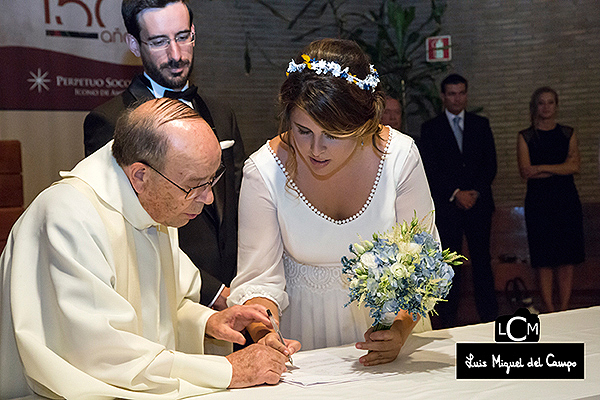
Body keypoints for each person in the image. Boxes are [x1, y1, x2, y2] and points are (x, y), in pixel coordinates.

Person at [0, 98, 290, 399]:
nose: (207, 199)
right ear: (140, 175)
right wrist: (229, 370)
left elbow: (164, 307)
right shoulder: (69, 217)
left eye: (212, 180)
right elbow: (103, 355)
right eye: (194, 186)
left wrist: (208, 321)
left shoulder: (152, 203)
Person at [228, 38, 436, 367]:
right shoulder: (264, 171)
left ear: (364, 124)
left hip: (393, 333)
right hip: (304, 339)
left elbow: (421, 262)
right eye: (303, 130)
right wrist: (263, 331)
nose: (316, 150)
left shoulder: (400, 157)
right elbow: (259, 280)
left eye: (333, 134)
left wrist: (398, 330)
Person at [84, 0, 245, 310]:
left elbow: (237, 206)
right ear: (133, 43)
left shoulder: (222, 114)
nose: (176, 54)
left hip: (234, 290)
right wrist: (211, 292)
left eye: (183, 37)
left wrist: (243, 285)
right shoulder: (110, 121)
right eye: (159, 42)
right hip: (162, 296)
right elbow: (125, 228)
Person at [419, 73, 498, 328]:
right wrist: (455, 193)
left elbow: (490, 164)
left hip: (478, 204)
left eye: (461, 93)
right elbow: (430, 168)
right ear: (443, 97)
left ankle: (489, 316)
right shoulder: (430, 128)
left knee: (482, 260)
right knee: (450, 262)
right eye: (451, 93)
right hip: (448, 206)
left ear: (466, 94)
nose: (457, 98)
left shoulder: (480, 124)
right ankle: (447, 320)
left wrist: (474, 192)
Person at [517, 87, 585, 313]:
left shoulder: (568, 133)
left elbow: (575, 166)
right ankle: (549, 308)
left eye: (550, 102)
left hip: (566, 200)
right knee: (544, 257)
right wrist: (559, 168)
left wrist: (542, 168)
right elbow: (526, 171)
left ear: (557, 105)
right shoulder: (525, 136)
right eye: (541, 103)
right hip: (539, 202)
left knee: (567, 257)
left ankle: (565, 307)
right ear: (535, 107)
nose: (546, 107)